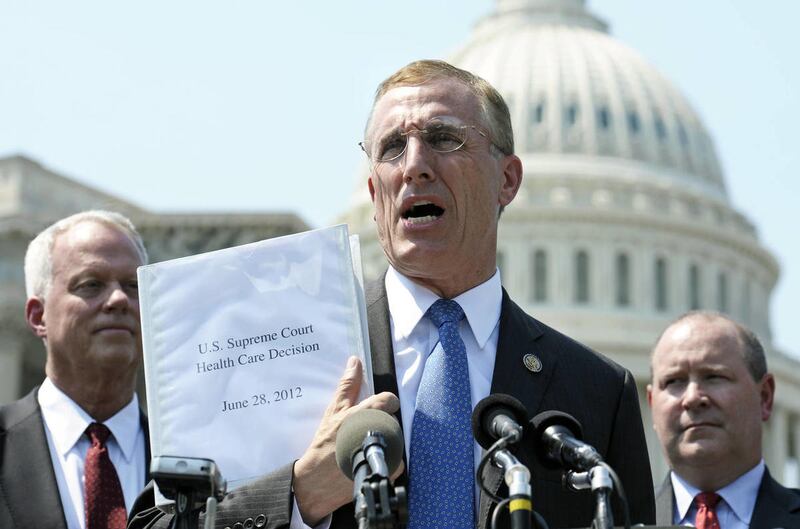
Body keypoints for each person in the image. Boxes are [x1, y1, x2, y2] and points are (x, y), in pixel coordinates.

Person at [130, 59, 655, 529]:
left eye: (444, 138)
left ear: (508, 180)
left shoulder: (597, 393)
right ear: (374, 191)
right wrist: (299, 494)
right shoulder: (272, 346)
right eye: (392, 148)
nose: (414, 165)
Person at [0, 210, 150, 529]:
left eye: (134, 285)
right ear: (38, 316)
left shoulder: (203, 460)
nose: (119, 299)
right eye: (91, 284)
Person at [648, 311, 800, 528]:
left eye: (713, 377)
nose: (692, 398)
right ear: (652, 403)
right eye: (674, 381)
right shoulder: (614, 522)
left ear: (764, 397)